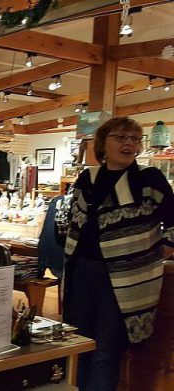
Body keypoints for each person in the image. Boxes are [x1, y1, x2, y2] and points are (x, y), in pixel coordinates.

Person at [60, 117, 174, 390]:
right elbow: (74, 221)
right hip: (82, 272)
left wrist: (164, 247)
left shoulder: (149, 179)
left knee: (106, 352)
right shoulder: (88, 177)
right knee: (80, 344)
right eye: (121, 137)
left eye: (134, 139)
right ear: (103, 143)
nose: (128, 144)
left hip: (126, 279)